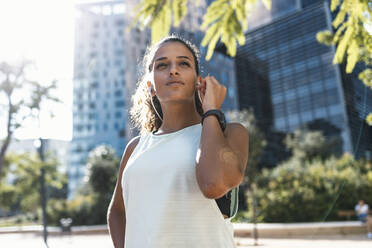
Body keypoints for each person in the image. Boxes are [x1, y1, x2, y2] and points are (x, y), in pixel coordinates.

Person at [107, 35, 249, 248]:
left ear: (198, 80)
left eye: (183, 63)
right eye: (162, 65)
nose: (173, 70)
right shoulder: (135, 148)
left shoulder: (230, 133)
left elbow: (213, 184)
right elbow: (117, 211)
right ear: (150, 86)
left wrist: (211, 112)